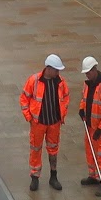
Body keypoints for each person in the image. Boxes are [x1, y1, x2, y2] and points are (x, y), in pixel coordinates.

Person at [20, 53, 69, 191]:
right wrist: (29, 117)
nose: (58, 72)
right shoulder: (34, 80)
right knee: (35, 149)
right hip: (38, 122)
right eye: (56, 69)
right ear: (49, 68)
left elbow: (65, 98)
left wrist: (62, 114)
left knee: (53, 149)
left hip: (54, 122)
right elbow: (24, 98)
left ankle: (53, 176)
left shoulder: (60, 82)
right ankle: (35, 177)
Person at [78, 56, 101, 196]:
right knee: (90, 151)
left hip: (99, 129)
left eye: (89, 72)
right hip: (90, 125)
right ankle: (93, 176)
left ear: (94, 69)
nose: (87, 74)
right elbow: (84, 98)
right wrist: (82, 109)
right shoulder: (87, 84)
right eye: (86, 72)